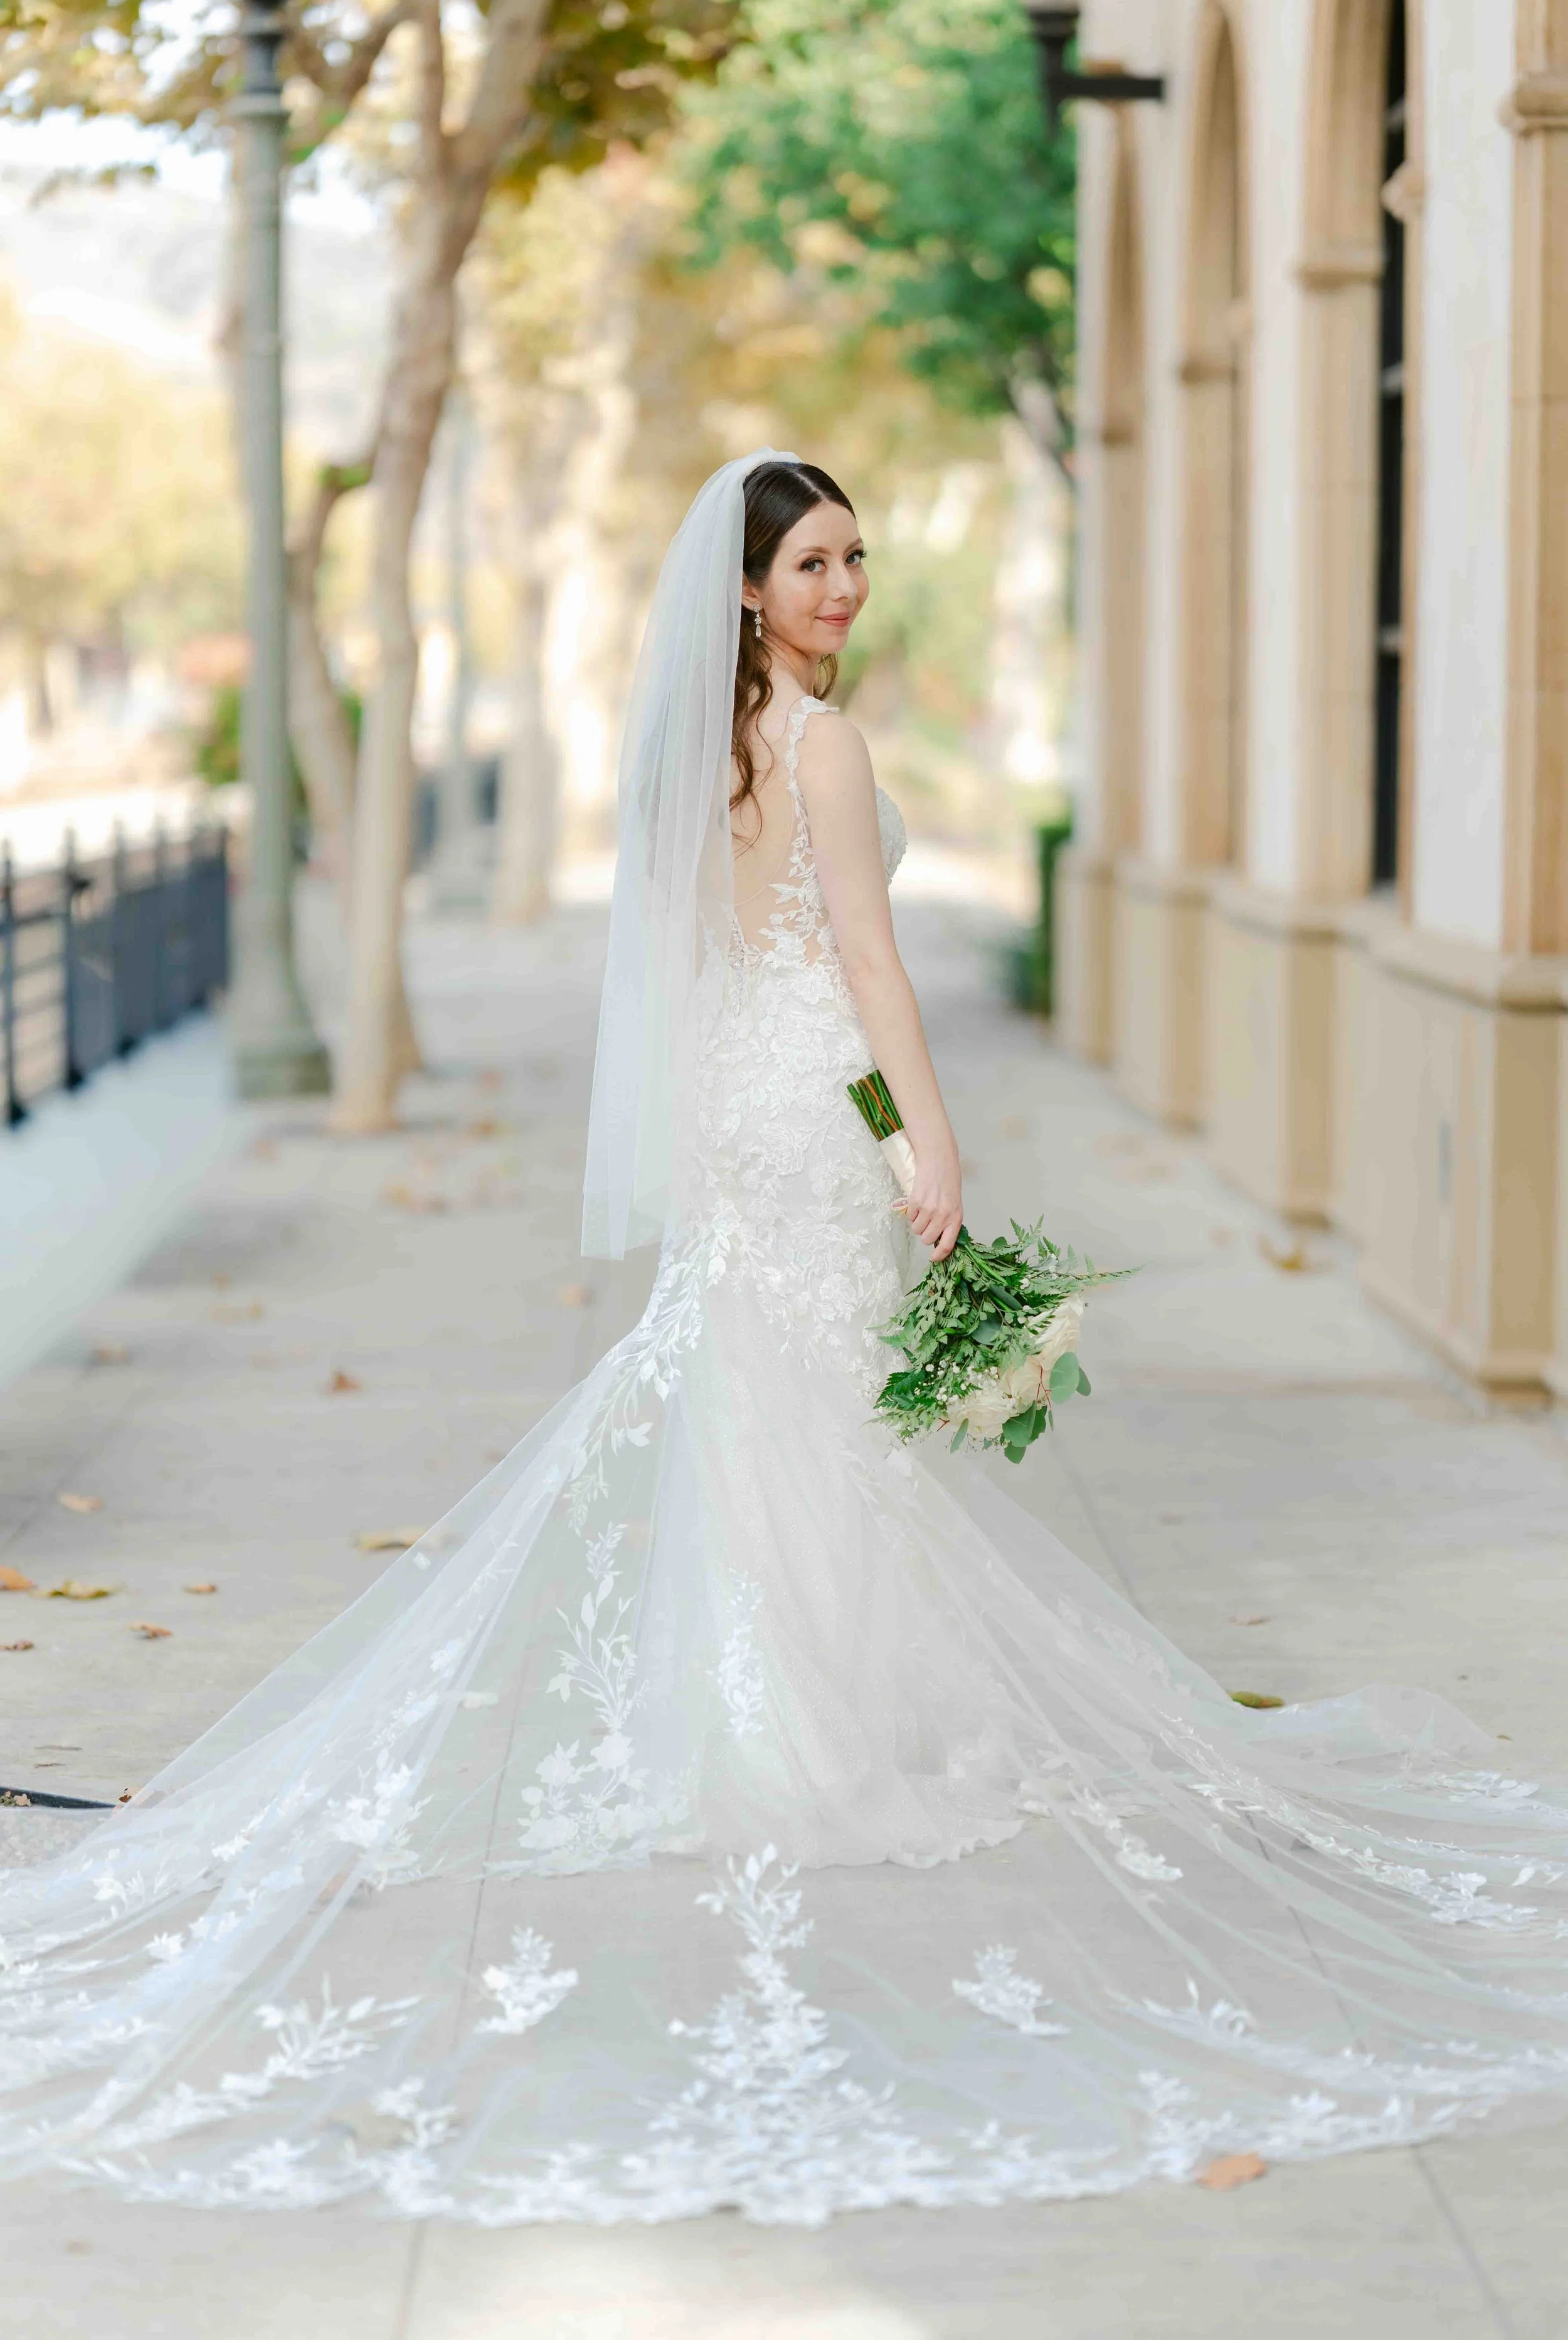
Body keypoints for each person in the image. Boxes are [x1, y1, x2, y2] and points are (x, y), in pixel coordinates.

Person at [5, 450, 1568, 2226]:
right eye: (813, 563)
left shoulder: (696, 744)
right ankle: (816, 1727)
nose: (845, 587)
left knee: (770, 1402)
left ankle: (770, 1712)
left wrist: (722, 1125)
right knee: (825, 1412)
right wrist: (930, 1139)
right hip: (816, 1109)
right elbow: (874, 965)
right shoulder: (821, 744)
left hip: (748, 1107)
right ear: (743, 590)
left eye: (855, 558)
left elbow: (690, 958)